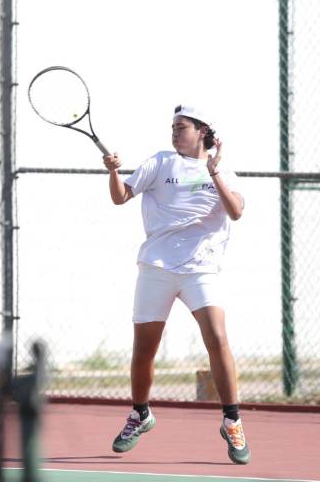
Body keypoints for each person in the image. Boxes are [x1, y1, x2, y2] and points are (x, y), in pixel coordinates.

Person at [102, 104, 250, 465]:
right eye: (172, 126)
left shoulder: (223, 170)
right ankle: (140, 414)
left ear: (202, 131)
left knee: (217, 337)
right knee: (144, 349)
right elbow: (120, 196)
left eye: (181, 127)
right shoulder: (161, 162)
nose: (174, 132)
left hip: (201, 267)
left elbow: (236, 211)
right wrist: (114, 172)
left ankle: (232, 420)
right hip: (156, 265)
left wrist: (214, 175)